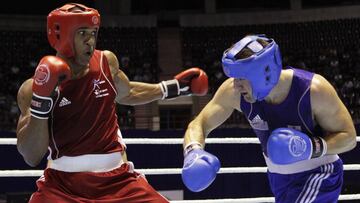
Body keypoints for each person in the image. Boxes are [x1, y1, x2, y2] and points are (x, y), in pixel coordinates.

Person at [16, 3, 208, 203]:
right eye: (82, 33)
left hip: (119, 182)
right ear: (60, 35)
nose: (90, 41)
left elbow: (128, 92)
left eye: (93, 32)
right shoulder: (32, 89)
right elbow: (31, 155)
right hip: (63, 187)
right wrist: (41, 101)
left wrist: (175, 87)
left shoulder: (105, 62)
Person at [181, 34, 357, 202]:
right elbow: (200, 123)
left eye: (241, 78)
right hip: (279, 178)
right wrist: (193, 151)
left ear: (263, 74)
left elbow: (348, 138)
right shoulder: (234, 92)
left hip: (320, 173)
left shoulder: (313, 90)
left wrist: (310, 147)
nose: (235, 85)